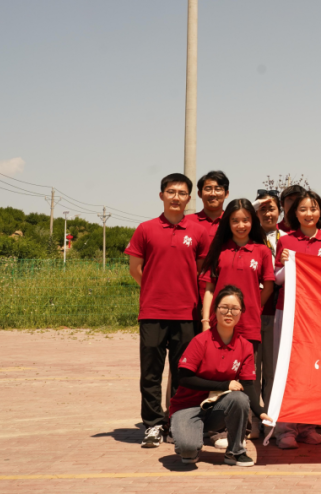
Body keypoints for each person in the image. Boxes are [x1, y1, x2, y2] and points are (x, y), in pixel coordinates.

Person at [126, 173, 207, 448]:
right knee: (150, 373)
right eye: (171, 192)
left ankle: (176, 422)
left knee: (182, 374)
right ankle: (152, 425)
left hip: (187, 313)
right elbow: (135, 269)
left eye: (182, 193)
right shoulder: (145, 229)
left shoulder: (197, 231)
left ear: (189, 198)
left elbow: (201, 272)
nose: (176, 197)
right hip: (152, 313)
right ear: (161, 195)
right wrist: (155, 289)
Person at [197, 199, 275, 439]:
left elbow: (268, 286)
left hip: (250, 325)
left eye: (246, 220)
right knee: (221, 375)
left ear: (253, 221)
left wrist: (253, 308)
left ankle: (252, 423)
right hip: (219, 326)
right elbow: (209, 288)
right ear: (228, 223)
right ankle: (220, 426)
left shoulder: (262, 251)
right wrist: (206, 321)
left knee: (250, 377)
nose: (241, 225)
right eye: (235, 220)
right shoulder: (219, 250)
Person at [170, 285, 272, 466]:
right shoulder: (200, 341)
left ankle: (236, 452)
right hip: (188, 406)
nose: (229, 313)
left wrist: (261, 412)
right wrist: (224, 385)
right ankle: (189, 436)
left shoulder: (245, 346)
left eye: (234, 309)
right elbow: (184, 379)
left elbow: (248, 385)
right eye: (224, 307)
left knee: (239, 398)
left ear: (241, 312)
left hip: (216, 409)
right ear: (215, 310)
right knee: (188, 450)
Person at [271, 190, 321, 449]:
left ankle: (307, 426)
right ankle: (285, 430)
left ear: (320, 211)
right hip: (289, 312)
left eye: (313, 208)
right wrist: (285, 264)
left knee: (314, 369)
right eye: (303, 209)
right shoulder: (286, 240)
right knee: (288, 369)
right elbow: (277, 279)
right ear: (295, 214)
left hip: (318, 315)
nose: (308, 213)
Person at [254, 188, 282, 413]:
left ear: (279, 211)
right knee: (252, 369)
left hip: (278, 310)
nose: (267, 214)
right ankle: (253, 413)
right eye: (262, 209)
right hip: (253, 310)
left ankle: (271, 413)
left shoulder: (289, 238)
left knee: (273, 368)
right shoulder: (248, 237)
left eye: (271, 208)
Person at [190, 171, 229, 329]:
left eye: (218, 189)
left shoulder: (235, 223)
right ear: (199, 194)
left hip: (226, 295)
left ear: (226, 193)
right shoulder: (187, 223)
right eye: (208, 189)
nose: (213, 193)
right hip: (192, 298)